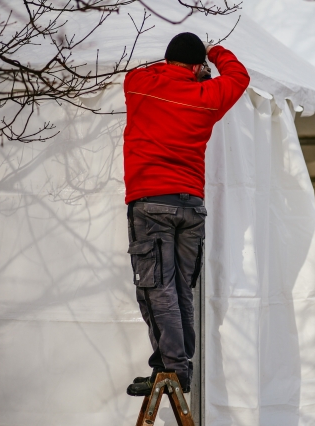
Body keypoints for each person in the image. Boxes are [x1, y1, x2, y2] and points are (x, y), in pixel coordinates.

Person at [122, 32, 250, 396]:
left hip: (151, 201)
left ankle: (173, 371)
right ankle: (173, 366)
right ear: (197, 67)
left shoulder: (140, 85)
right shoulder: (206, 97)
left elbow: (135, 72)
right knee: (180, 290)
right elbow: (239, 77)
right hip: (191, 205)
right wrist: (216, 52)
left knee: (155, 289)